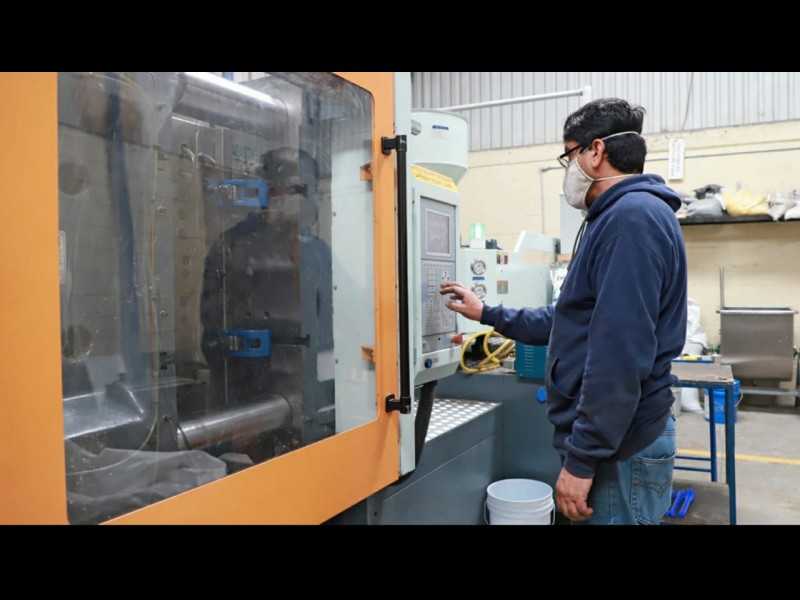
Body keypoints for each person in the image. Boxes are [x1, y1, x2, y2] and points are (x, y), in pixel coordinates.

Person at [440, 98, 688, 525]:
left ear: (595, 152)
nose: (567, 170)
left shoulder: (630, 219)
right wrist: (487, 312)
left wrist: (582, 459)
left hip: (619, 446)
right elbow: (571, 321)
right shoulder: (616, 218)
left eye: (568, 155)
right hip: (616, 439)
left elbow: (618, 353)